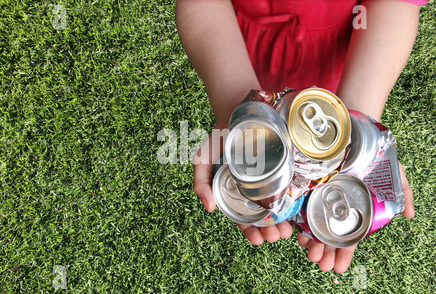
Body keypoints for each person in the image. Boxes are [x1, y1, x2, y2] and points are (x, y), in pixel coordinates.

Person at [175, 0, 428, 274]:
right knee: (297, 113)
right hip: (235, 48)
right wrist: (237, 104)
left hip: (352, 55)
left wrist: (357, 123)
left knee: (317, 113)